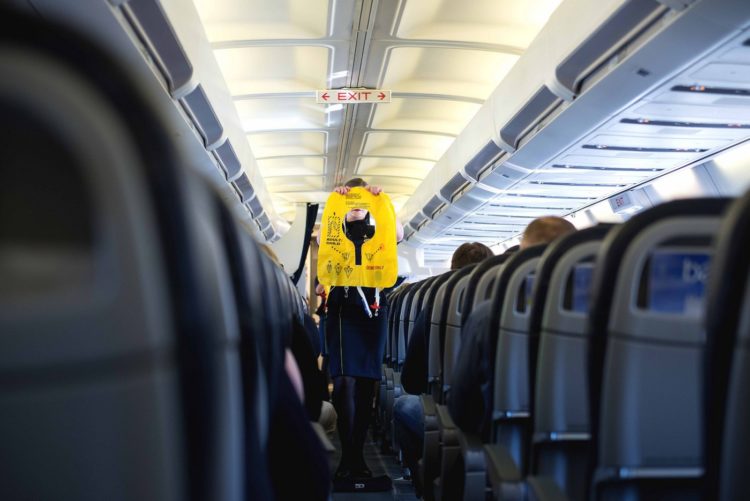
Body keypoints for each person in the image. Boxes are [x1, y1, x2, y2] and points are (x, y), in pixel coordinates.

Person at [448, 216, 576, 440]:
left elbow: (462, 411)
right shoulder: (611, 313)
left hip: (506, 456)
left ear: (523, 258)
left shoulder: (488, 315)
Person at [321, 178, 404, 481]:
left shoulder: (379, 225)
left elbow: (398, 234)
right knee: (343, 382)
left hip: (373, 309)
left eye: (361, 201)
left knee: (367, 381)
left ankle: (357, 457)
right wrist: (338, 202)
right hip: (342, 308)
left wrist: (381, 200)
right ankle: (349, 454)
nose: (356, 205)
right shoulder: (335, 227)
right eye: (352, 200)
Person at [393, 242, 493, 491]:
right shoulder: (510, 303)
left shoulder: (437, 304)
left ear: (452, 271)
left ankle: (428, 483)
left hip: (457, 419)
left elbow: (412, 381)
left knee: (403, 405)